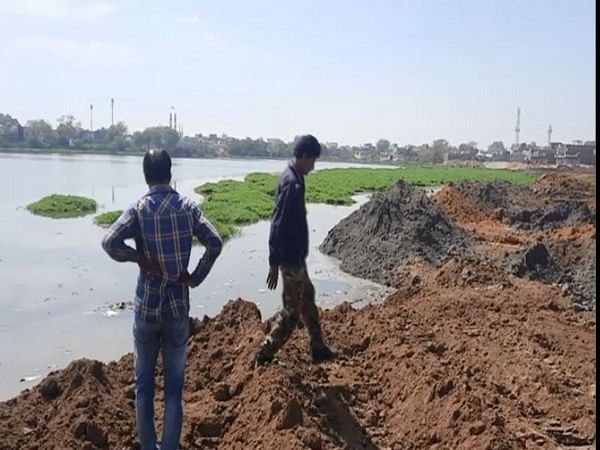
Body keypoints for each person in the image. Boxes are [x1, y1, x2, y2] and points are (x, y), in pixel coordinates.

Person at [102, 149, 222, 450]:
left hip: (146, 309)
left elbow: (109, 242)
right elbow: (215, 242)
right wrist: (194, 277)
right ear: (171, 172)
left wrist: (138, 257)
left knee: (143, 388)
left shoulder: (139, 209)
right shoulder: (187, 207)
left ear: (145, 176)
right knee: (173, 390)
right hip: (177, 309)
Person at [256, 135, 336, 367]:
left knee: (308, 298)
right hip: (290, 259)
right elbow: (277, 223)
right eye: (312, 160)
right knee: (291, 313)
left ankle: (318, 347)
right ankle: (265, 353)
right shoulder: (292, 183)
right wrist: (273, 262)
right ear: (302, 156)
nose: (313, 165)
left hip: (296, 257)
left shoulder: (295, 177)